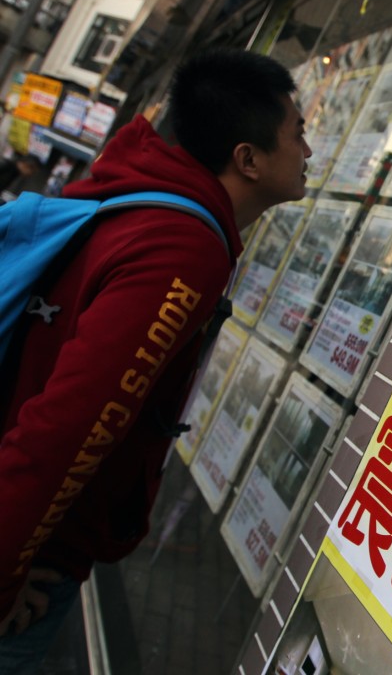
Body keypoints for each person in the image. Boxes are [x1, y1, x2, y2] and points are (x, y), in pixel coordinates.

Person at [0, 48, 311, 672]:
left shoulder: (146, 196)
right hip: (31, 564)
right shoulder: (184, 247)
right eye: (297, 135)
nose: (308, 152)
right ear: (247, 160)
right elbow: (71, 427)